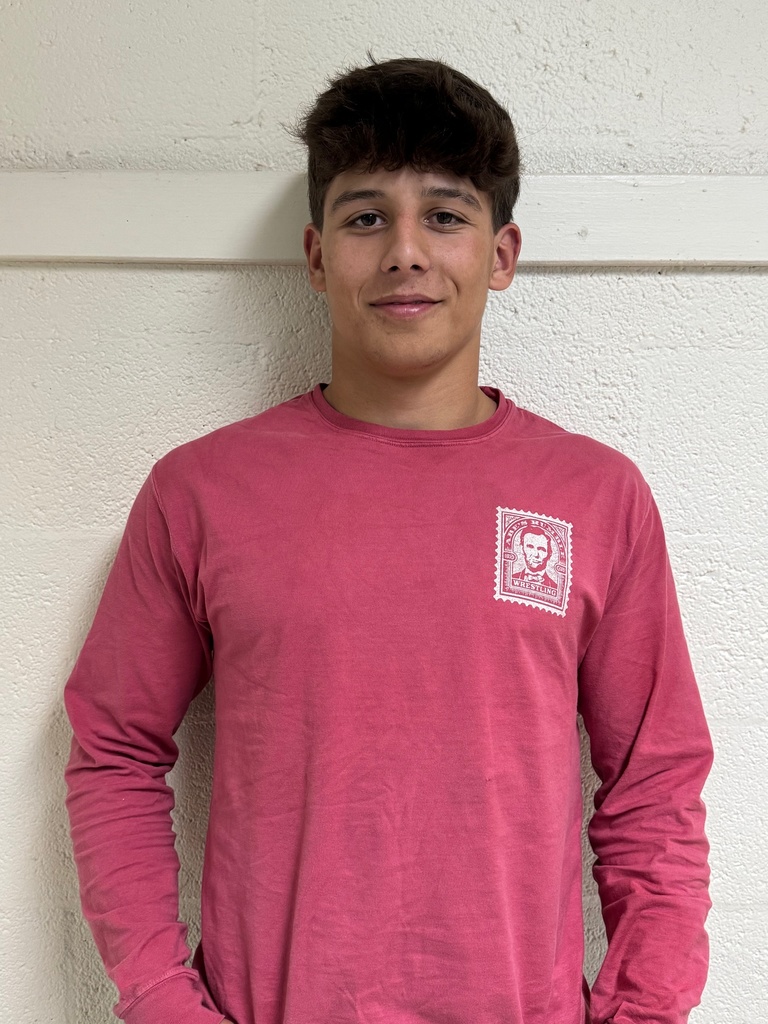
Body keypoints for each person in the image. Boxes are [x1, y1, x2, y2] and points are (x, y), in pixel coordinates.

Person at [63, 56, 714, 1024]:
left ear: (500, 253)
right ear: (319, 255)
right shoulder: (203, 491)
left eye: (445, 215)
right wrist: (163, 1002)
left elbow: (655, 781)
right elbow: (113, 751)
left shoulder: (594, 494)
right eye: (367, 217)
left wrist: (644, 1011)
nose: (406, 251)